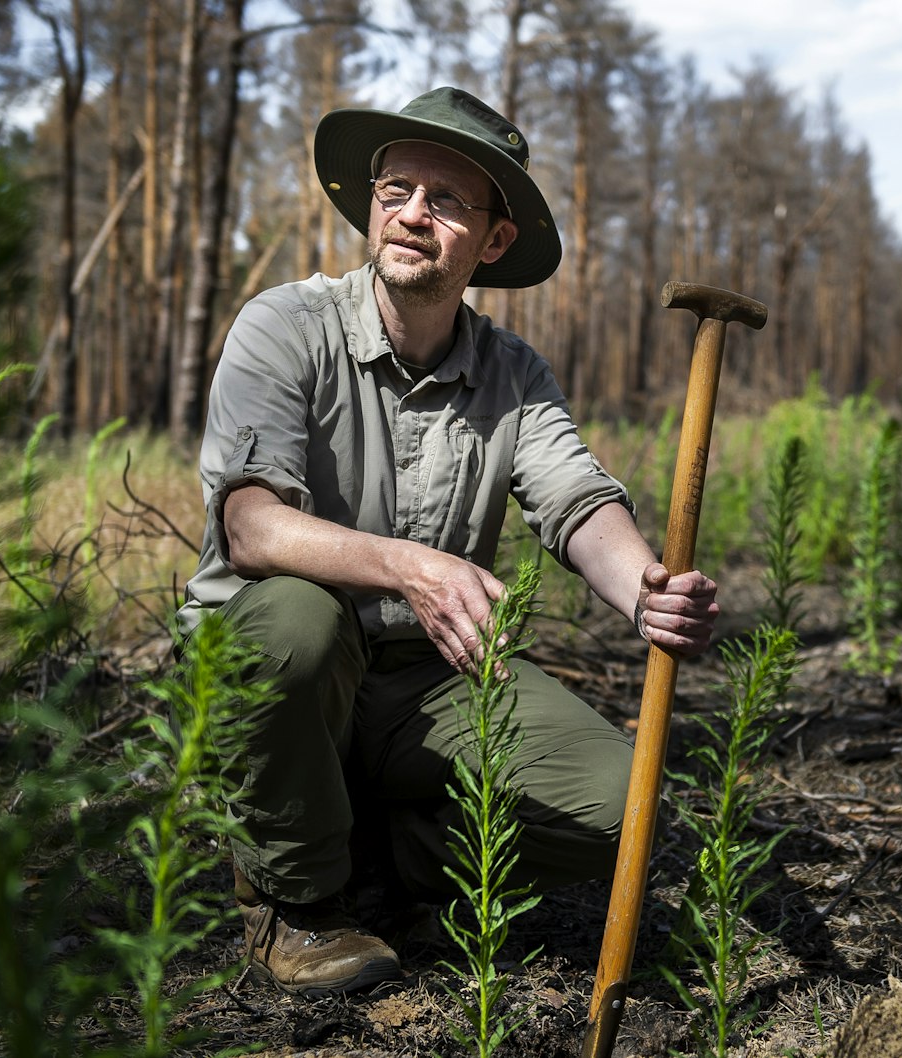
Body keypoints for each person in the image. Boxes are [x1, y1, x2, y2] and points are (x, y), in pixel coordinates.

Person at [177, 86, 720, 997]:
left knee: (623, 813)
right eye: (396, 191)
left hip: (423, 681)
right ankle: (295, 903)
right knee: (298, 624)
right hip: (280, 663)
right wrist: (406, 563)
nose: (412, 216)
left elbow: (575, 501)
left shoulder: (511, 372)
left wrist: (644, 590)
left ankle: (388, 857)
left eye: (448, 201)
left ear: (494, 241)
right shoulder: (286, 327)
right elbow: (252, 525)